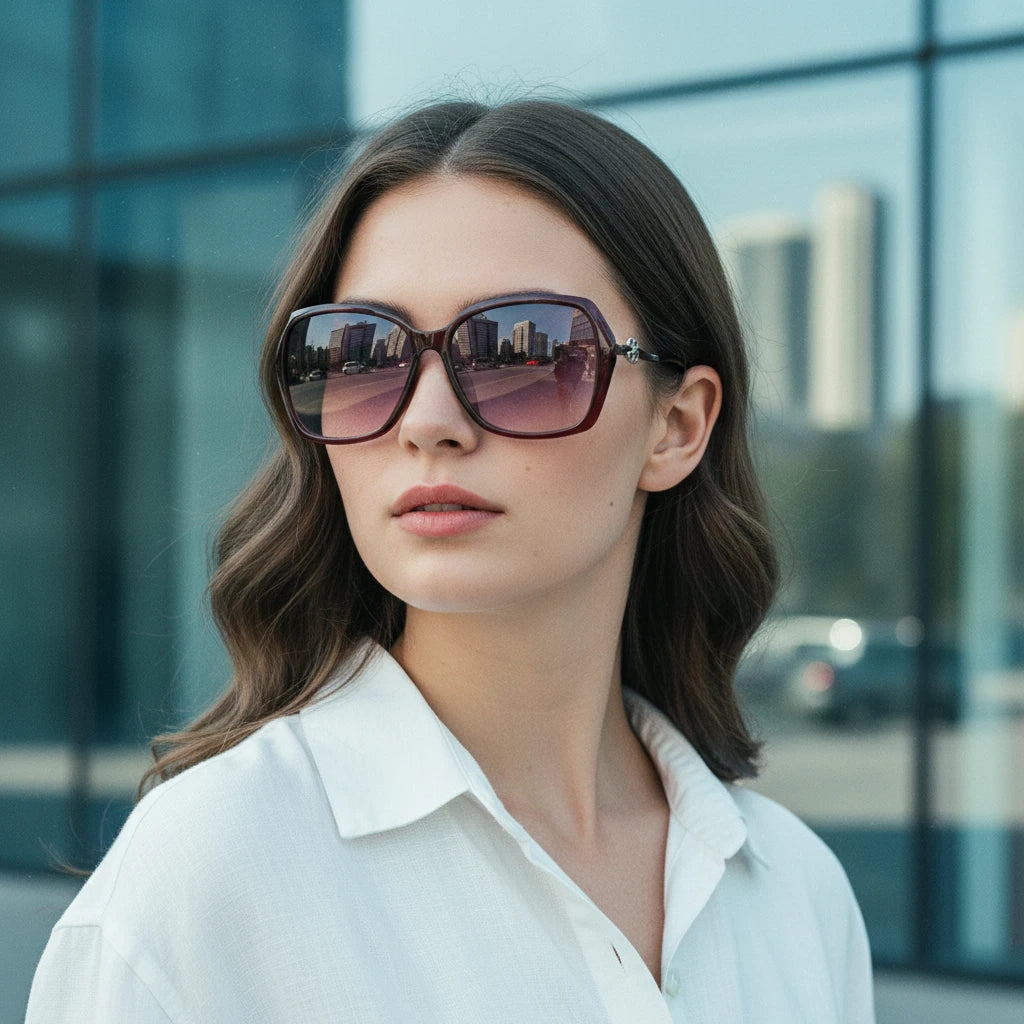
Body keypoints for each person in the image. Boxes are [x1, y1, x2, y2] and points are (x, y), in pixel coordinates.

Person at [27, 98, 874, 1023]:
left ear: (676, 426)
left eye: (526, 349)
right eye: (360, 354)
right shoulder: (205, 883)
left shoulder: (795, 892)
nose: (428, 423)